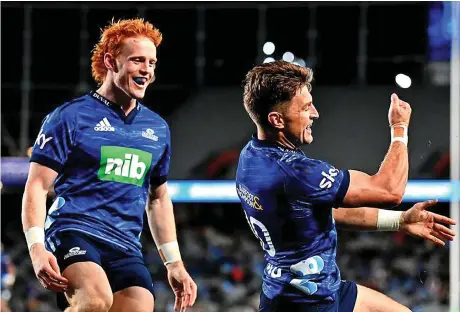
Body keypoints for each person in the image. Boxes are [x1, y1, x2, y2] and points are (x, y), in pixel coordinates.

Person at [235, 60, 456, 312]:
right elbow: (389, 190)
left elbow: (325, 212)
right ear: (276, 119)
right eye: (306, 107)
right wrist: (399, 129)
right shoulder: (295, 172)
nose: (315, 113)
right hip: (306, 302)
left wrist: (399, 222)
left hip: (308, 286)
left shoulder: (250, 156)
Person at [22, 18, 197, 312]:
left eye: (152, 63)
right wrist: (36, 248)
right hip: (74, 231)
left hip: (125, 245)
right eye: (137, 60)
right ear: (110, 61)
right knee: (94, 301)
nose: (147, 70)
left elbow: (158, 198)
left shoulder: (157, 129)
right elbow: (37, 185)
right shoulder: (69, 117)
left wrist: (175, 263)